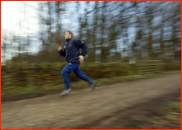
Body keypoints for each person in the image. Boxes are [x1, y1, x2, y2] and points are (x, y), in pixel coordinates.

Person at [56, 30, 96, 96]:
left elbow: (84, 45)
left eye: (66, 34)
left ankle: (67, 89)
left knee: (64, 72)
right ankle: (92, 82)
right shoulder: (65, 45)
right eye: (64, 34)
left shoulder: (74, 41)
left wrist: (82, 55)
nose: (64, 35)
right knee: (80, 75)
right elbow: (64, 54)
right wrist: (60, 50)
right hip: (71, 62)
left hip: (74, 61)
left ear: (70, 35)